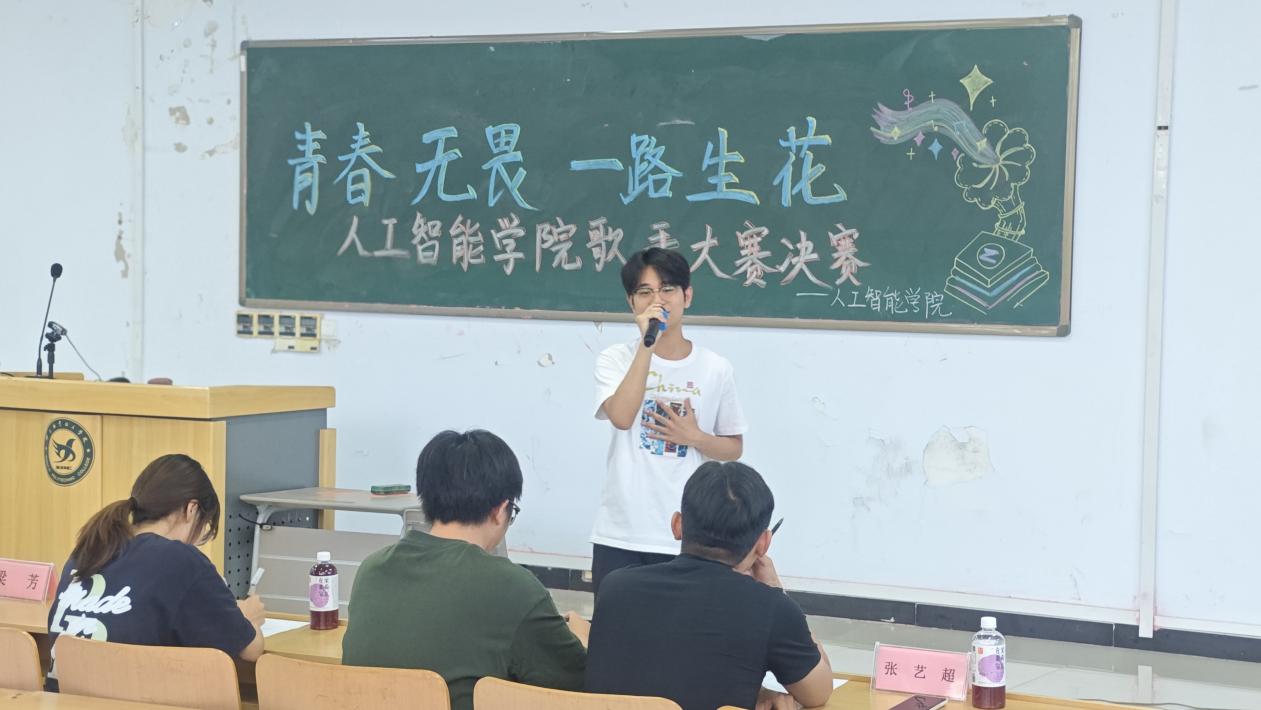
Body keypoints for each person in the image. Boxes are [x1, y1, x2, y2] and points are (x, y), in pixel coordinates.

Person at [343, 429, 587, 710]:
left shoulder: (372, 570)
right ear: (500, 510)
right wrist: (582, 637)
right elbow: (579, 685)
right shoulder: (512, 587)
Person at [584, 461, 834, 710]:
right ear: (763, 543)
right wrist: (776, 590)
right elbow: (817, 693)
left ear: (677, 525)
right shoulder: (771, 608)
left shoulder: (615, 588)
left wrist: (758, 692)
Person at [591, 247, 748, 596]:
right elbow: (622, 417)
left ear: (687, 296)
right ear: (632, 302)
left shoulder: (715, 368)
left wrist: (695, 437)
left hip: (688, 536)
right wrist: (647, 346)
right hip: (621, 532)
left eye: (667, 289)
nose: (657, 300)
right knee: (616, 626)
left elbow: (734, 448)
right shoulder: (615, 358)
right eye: (645, 292)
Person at [46, 454, 265, 688]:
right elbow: (251, 650)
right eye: (203, 526)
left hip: (65, 698)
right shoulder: (183, 560)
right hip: (131, 697)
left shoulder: (91, 547)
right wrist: (247, 617)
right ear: (191, 509)